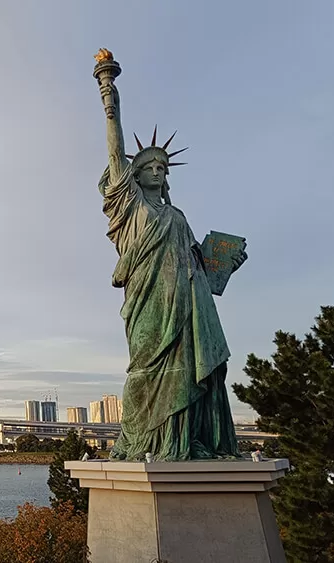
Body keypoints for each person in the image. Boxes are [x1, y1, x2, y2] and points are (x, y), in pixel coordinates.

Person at [96, 78, 247, 461]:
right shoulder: (129, 208)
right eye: (151, 166)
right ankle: (148, 441)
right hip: (149, 300)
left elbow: (201, 265)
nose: (159, 170)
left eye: (164, 167)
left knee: (189, 368)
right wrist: (109, 100)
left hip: (188, 301)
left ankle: (187, 440)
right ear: (136, 174)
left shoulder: (177, 217)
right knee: (147, 368)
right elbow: (116, 156)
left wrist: (227, 262)